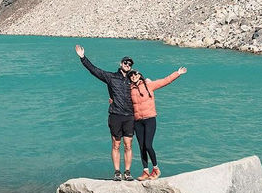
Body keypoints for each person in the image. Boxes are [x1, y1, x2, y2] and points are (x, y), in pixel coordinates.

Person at [75, 44, 136, 181]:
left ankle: (127, 172)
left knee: (128, 145)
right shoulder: (111, 77)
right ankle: (117, 172)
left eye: (130, 64)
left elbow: (146, 87)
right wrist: (83, 58)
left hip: (130, 116)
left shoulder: (133, 79)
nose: (128, 65)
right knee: (116, 144)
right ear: (121, 64)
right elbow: (94, 70)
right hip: (115, 115)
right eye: (126, 62)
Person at [128, 65, 187, 180]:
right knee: (141, 147)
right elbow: (121, 96)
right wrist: (113, 100)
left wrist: (177, 73)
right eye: (131, 75)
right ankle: (145, 171)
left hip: (150, 119)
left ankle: (156, 169)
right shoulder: (129, 89)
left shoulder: (149, 85)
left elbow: (165, 81)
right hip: (137, 121)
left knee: (148, 145)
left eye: (135, 74)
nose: (133, 76)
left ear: (139, 75)